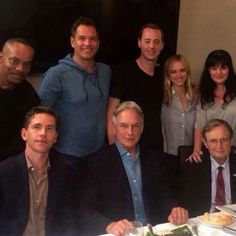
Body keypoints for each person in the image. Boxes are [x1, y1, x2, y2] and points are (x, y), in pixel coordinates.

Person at [80, 101, 188, 236]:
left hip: (154, 231)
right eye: (124, 126)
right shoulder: (96, 163)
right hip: (122, 233)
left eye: (135, 126)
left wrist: (175, 209)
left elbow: (166, 195)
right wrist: (109, 225)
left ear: (142, 128)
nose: (130, 132)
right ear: (114, 128)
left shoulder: (155, 159)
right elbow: (87, 211)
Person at [39, 17, 111, 166]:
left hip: (98, 154)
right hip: (65, 156)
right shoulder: (56, 74)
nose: (87, 43)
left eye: (93, 39)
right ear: (72, 41)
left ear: (98, 43)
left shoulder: (106, 72)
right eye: (82, 38)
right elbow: (40, 115)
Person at [0, 106, 78, 236]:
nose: (43, 133)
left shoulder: (65, 172)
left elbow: (69, 218)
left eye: (49, 128)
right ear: (24, 134)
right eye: (37, 127)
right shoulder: (4, 172)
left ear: (56, 137)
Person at [107, 23, 164, 152]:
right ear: (139, 43)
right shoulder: (123, 72)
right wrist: (113, 150)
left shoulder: (164, 75)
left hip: (155, 148)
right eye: (147, 41)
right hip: (127, 146)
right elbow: (111, 113)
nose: (151, 46)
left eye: (156, 42)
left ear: (162, 45)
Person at [180, 119, 236, 217]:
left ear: (231, 141)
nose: (219, 146)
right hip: (205, 221)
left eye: (224, 140)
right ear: (205, 143)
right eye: (213, 141)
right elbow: (186, 204)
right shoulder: (193, 167)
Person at [189, 49, 236, 163]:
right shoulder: (203, 94)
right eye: (214, 68)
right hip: (211, 152)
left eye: (223, 68)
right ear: (208, 71)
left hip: (233, 150)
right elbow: (199, 125)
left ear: (229, 69)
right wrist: (196, 150)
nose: (218, 72)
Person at [161, 54, 198, 194]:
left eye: (182, 70)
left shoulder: (196, 97)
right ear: (168, 75)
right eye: (173, 71)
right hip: (168, 156)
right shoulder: (163, 97)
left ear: (187, 72)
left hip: (191, 157)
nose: (178, 75)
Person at [0, 38, 40, 160]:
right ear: (1, 57)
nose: (20, 69)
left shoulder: (30, 97)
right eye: (14, 61)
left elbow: (22, 142)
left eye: (26, 64)